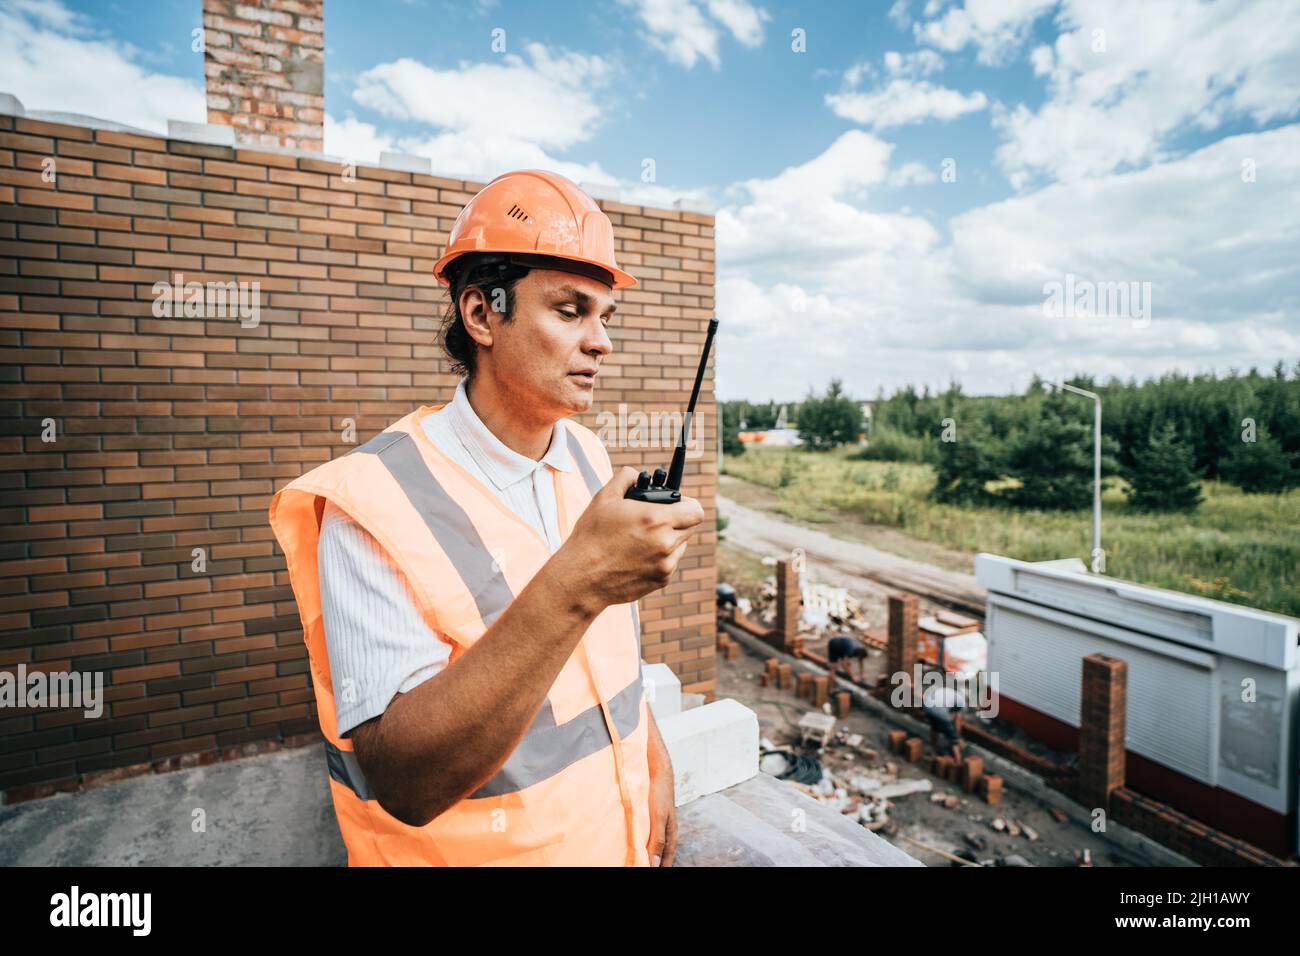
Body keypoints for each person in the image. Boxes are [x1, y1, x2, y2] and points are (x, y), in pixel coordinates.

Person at [269, 170, 706, 867]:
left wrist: (652, 761)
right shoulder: (370, 501)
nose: (602, 343)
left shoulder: (590, 459)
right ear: (481, 315)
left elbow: (610, 661)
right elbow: (405, 779)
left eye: (605, 317)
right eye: (570, 311)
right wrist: (577, 583)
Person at [922, 681, 967, 763]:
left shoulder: (949, 693)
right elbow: (957, 720)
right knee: (954, 739)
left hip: (927, 707)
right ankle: (958, 762)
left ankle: (933, 750)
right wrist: (957, 735)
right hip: (939, 710)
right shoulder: (962, 703)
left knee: (935, 728)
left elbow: (951, 714)